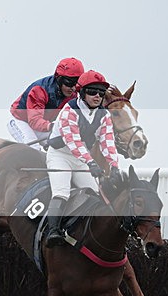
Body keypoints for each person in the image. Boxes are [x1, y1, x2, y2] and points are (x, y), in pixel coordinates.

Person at [44, 70, 120, 246]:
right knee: (61, 193)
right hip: (60, 156)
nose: (97, 96)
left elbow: (107, 142)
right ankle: (53, 232)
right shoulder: (69, 110)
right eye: (93, 91)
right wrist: (91, 162)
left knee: (95, 195)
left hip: (80, 158)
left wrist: (114, 166)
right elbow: (73, 141)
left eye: (101, 93)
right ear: (82, 92)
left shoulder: (104, 115)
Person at [8, 57, 85, 150]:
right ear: (59, 79)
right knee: (34, 149)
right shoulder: (39, 90)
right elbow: (35, 121)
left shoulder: (74, 95)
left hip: (44, 124)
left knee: (62, 148)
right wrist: (52, 126)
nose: (73, 88)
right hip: (21, 121)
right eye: (69, 83)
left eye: (76, 84)